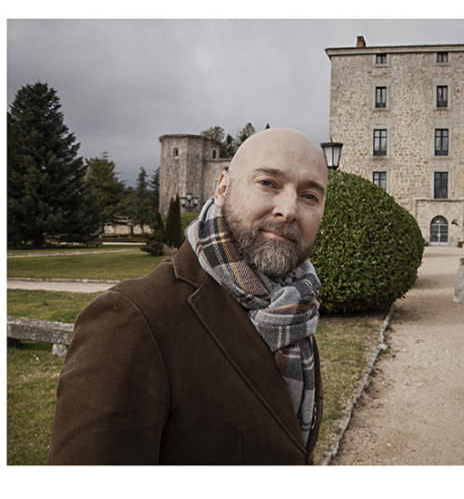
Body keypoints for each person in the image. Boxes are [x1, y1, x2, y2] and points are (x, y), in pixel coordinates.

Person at [48, 128, 329, 464]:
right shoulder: (131, 319)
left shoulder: (294, 307)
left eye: (309, 196)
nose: (289, 210)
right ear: (223, 187)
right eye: (268, 183)